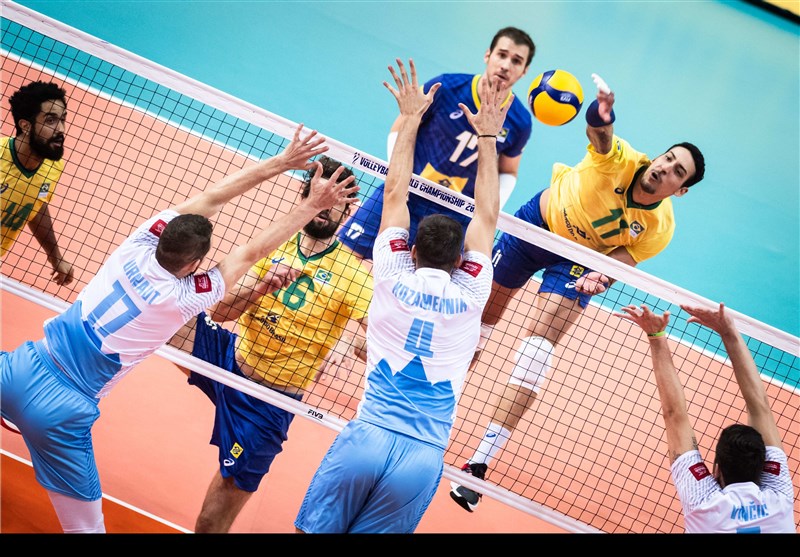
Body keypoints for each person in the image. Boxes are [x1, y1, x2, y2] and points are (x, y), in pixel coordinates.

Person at [0, 123, 359, 533]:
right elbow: (253, 250)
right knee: (86, 529)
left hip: (21, 366)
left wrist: (282, 161)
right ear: (194, 265)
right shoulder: (182, 298)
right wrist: (313, 205)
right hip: (63, 412)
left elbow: (212, 197)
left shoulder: (138, 243)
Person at [450, 73, 707, 512]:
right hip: (536, 226)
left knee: (537, 354)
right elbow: (600, 136)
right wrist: (602, 113)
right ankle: (438, 411)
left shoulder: (659, 229)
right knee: (478, 323)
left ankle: (479, 464)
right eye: (667, 158)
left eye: (677, 171)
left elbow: (621, 260)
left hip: (578, 261)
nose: (665, 168)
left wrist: (599, 278)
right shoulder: (621, 160)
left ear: (680, 191)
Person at [294, 58, 509, 534]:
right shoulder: (474, 290)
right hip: (422, 458)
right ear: (461, 262)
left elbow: (395, 193)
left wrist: (410, 117)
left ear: (411, 251)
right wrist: (489, 137)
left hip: (366, 437)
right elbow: (487, 215)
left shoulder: (391, 273)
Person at [167, 155, 373, 533]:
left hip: (268, 402)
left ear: (348, 209)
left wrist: (349, 343)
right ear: (304, 195)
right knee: (161, 315)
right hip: (227, 361)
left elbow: (384, 342)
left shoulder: (354, 277)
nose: (326, 207)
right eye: (318, 194)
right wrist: (260, 287)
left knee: (210, 522)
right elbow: (221, 312)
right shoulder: (277, 244)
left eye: (336, 200)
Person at [337, 26, 534, 260]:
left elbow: (508, 170)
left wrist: (489, 211)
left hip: (456, 214)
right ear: (488, 55)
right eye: (501, 55)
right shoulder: (446, 87)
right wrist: (398, 179)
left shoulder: (520, 121)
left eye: (516, 61)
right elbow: (400, 127)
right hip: (406, 194)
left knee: (430, 279)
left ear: (524, 71)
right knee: (345, 257)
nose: (506, 65)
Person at [614, 302, 795, 533]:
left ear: (717, 468)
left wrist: (657, 335)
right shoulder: (779, 496)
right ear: (764, 466)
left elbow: (675, 414)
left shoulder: (702, 501)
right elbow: (760, 407)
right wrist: (728, 331)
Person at [1, 80, 75, 286]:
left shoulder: (53, 167)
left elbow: (36, 203)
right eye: (50, 121)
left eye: (62, 119)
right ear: (25, 126)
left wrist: (55, 256)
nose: (61, 129)